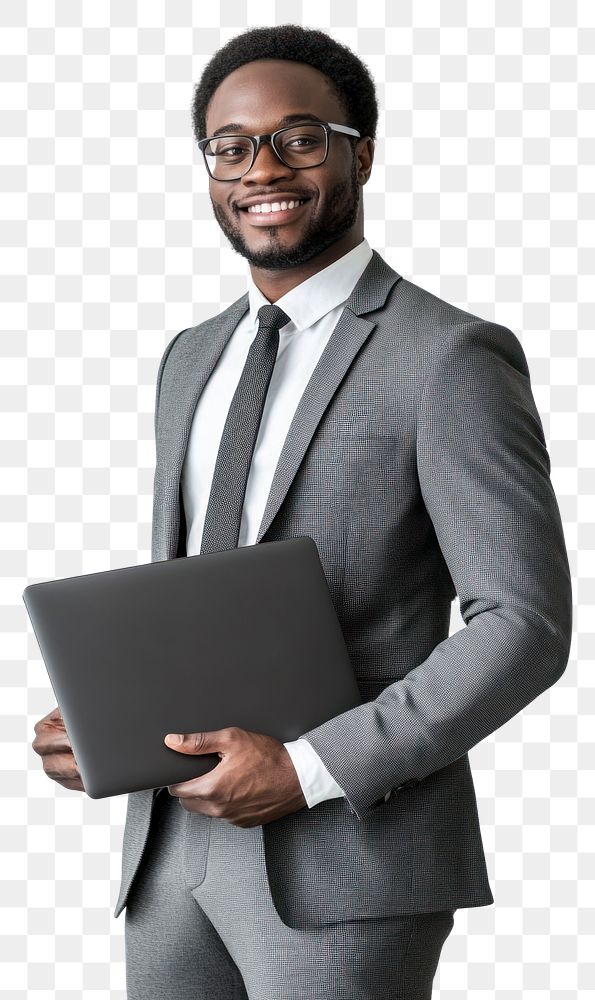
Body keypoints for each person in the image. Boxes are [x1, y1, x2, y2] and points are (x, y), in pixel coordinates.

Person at [32, 23, 572, 1000]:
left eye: (299, 137)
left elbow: (523, 626)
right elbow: (199, 598)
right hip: (169, 860)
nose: (260, 168)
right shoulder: (189, 357)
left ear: (359, 151)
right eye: (229, 145)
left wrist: (312, 767)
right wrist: (110, 722)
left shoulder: (449, 358)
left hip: (349, 859)